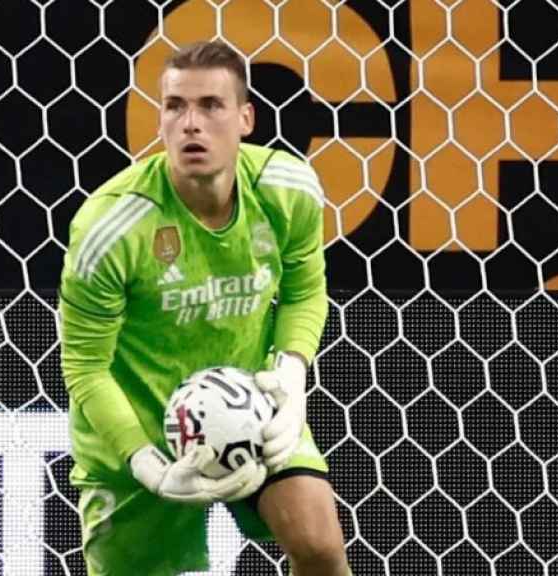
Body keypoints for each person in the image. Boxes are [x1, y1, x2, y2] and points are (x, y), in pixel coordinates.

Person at [58, 40, 351, 576]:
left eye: (211, 105)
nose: (191, 123)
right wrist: (147, 464)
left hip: (248, 411)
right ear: (161, 119)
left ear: (245, 118)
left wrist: (290, 374)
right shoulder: (110, 228)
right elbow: (85, 367)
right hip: (135, 443)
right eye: (176, 107)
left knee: (320, 547)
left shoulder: (287, 191)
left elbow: (306, 290)